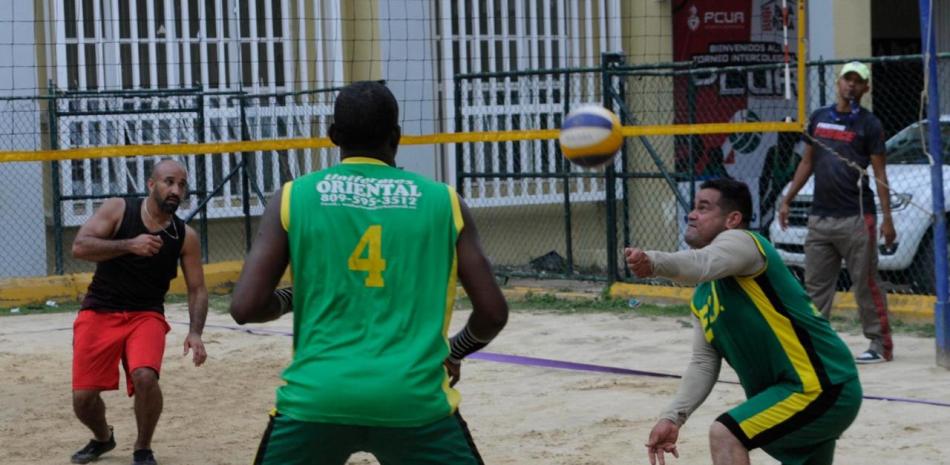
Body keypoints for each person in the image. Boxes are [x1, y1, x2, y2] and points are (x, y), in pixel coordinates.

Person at [229, 81, 509, 465]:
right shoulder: (444, 201)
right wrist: (454, 352)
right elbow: (493, 313)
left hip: (318, 398)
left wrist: (293, 296)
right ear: (396, 137)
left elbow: (246, 307)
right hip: (413, 400)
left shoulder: (294, 196)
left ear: (333, 136)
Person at [626, 179, 861, 465]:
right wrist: (672, 417)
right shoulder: (702, 297)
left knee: (725, 433)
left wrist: (653, 261)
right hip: (796, 392)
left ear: (732, 219)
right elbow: (703, 363)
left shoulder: (745, 243)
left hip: (819, 386)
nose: (692, 214)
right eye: (693, 207)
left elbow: (700, 263)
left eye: (704, 207)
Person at [70, 159, 208, 465]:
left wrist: (195, 332)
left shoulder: (185, 236)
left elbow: (197, 288)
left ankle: (143, 448)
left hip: (146, 314)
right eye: (169, 182)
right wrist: (129, 245)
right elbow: (80, 247)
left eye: (182, 185)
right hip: (100, 311)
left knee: (146, 376)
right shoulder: (120, 209)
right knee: (83, 398)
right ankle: (103, 437)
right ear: (151, 184)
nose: (176, 190)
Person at [778, 60, 895, 363]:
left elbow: (881, 175)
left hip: (857, 217)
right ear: (839, 82)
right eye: (847, 80)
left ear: (866, 87)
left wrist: (887, 219)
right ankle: (814, 346)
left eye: (858, 81)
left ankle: (880, 346)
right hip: (821, 218)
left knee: (866, 284)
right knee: (815, 287)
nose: (851, 86)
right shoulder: (819, 118)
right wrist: (788, 198)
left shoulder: (870, 124)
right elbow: (807, 162)